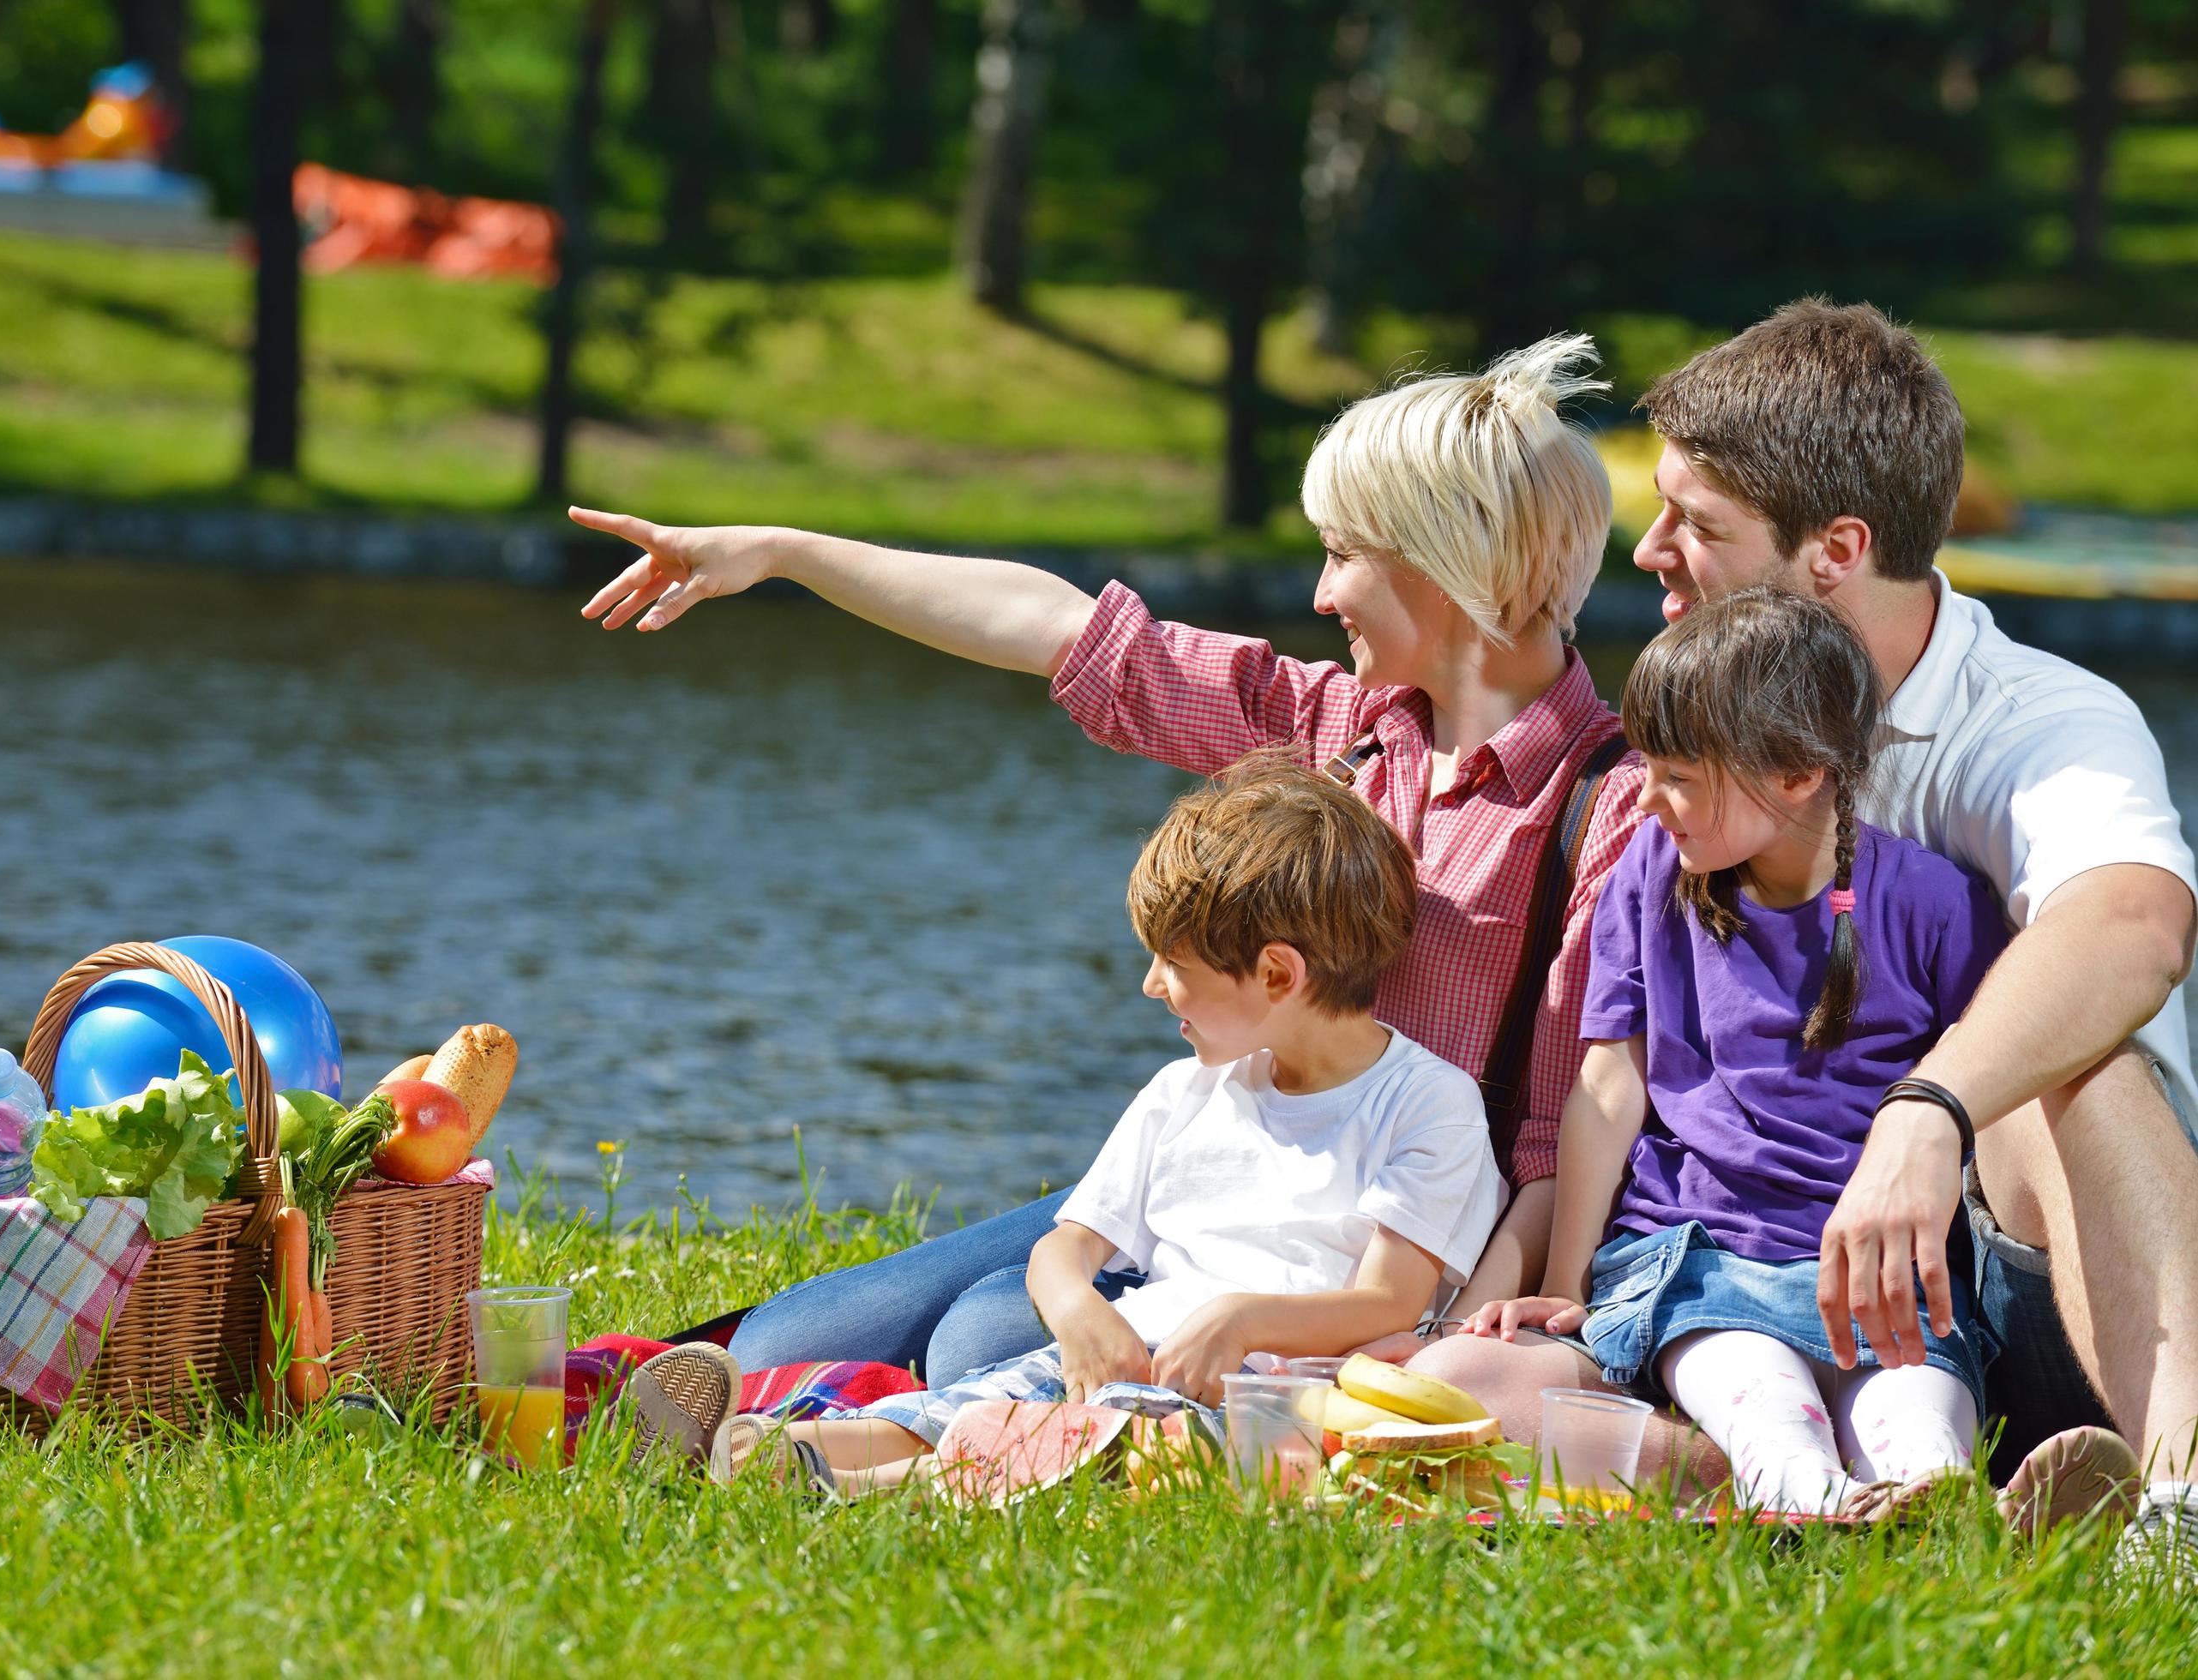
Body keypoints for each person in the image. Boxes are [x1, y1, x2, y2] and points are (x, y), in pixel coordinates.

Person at [575, 334, 1644, 1391]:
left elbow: (1556, 1125)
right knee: (781, 1341)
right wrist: (782, 551)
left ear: (1452, 560)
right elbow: (1058, 628)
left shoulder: (1608, 804)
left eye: (1346, 553)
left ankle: (879, 1430)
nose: (1321, 594)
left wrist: (1483, 1328)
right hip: (1206, 1183)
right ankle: (784, 1401)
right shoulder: (1335, 729)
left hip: (1356, 1252)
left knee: (979, 1343)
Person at [1412, 300, 2198, 1563]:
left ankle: (2180, 1509)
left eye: (1698, 526)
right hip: (1748, 1273)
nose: (1650, 550)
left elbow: (2136, 925)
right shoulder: (1691, 759)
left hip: (2023, 1273)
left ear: (1835, 549)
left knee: (2077, 1065)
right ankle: (1811, 1490)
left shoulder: (2040, 720)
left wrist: (1926, 1111)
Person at [714, 754, 1503, 1496]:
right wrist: (1077, 1311)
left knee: (1117, 1445)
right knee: (968, 1407)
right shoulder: (1183, 1093)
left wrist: (1240, 1318)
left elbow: (1389, 1302)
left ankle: (847, 1484)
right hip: (1133, 1351)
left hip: (1274, 1392)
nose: (1150, 985)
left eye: (1174, 965)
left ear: (1275, 974)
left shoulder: (1426, 1102)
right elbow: (1068, 1245)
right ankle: (781, 1452)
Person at [1469, 588, 2004, 1516]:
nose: (1645, 796)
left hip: (1878, 1283)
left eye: (1678, 774)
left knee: (1917, 1427)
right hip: (1700, 1262)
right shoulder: (1649, 872)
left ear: (1798, 771)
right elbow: (1610, 1083)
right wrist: (1567, 1286)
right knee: (1768, 1414)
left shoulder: (1936, 903)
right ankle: (1821, 1508)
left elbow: (1992, 1085)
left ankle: (1950, 1508)